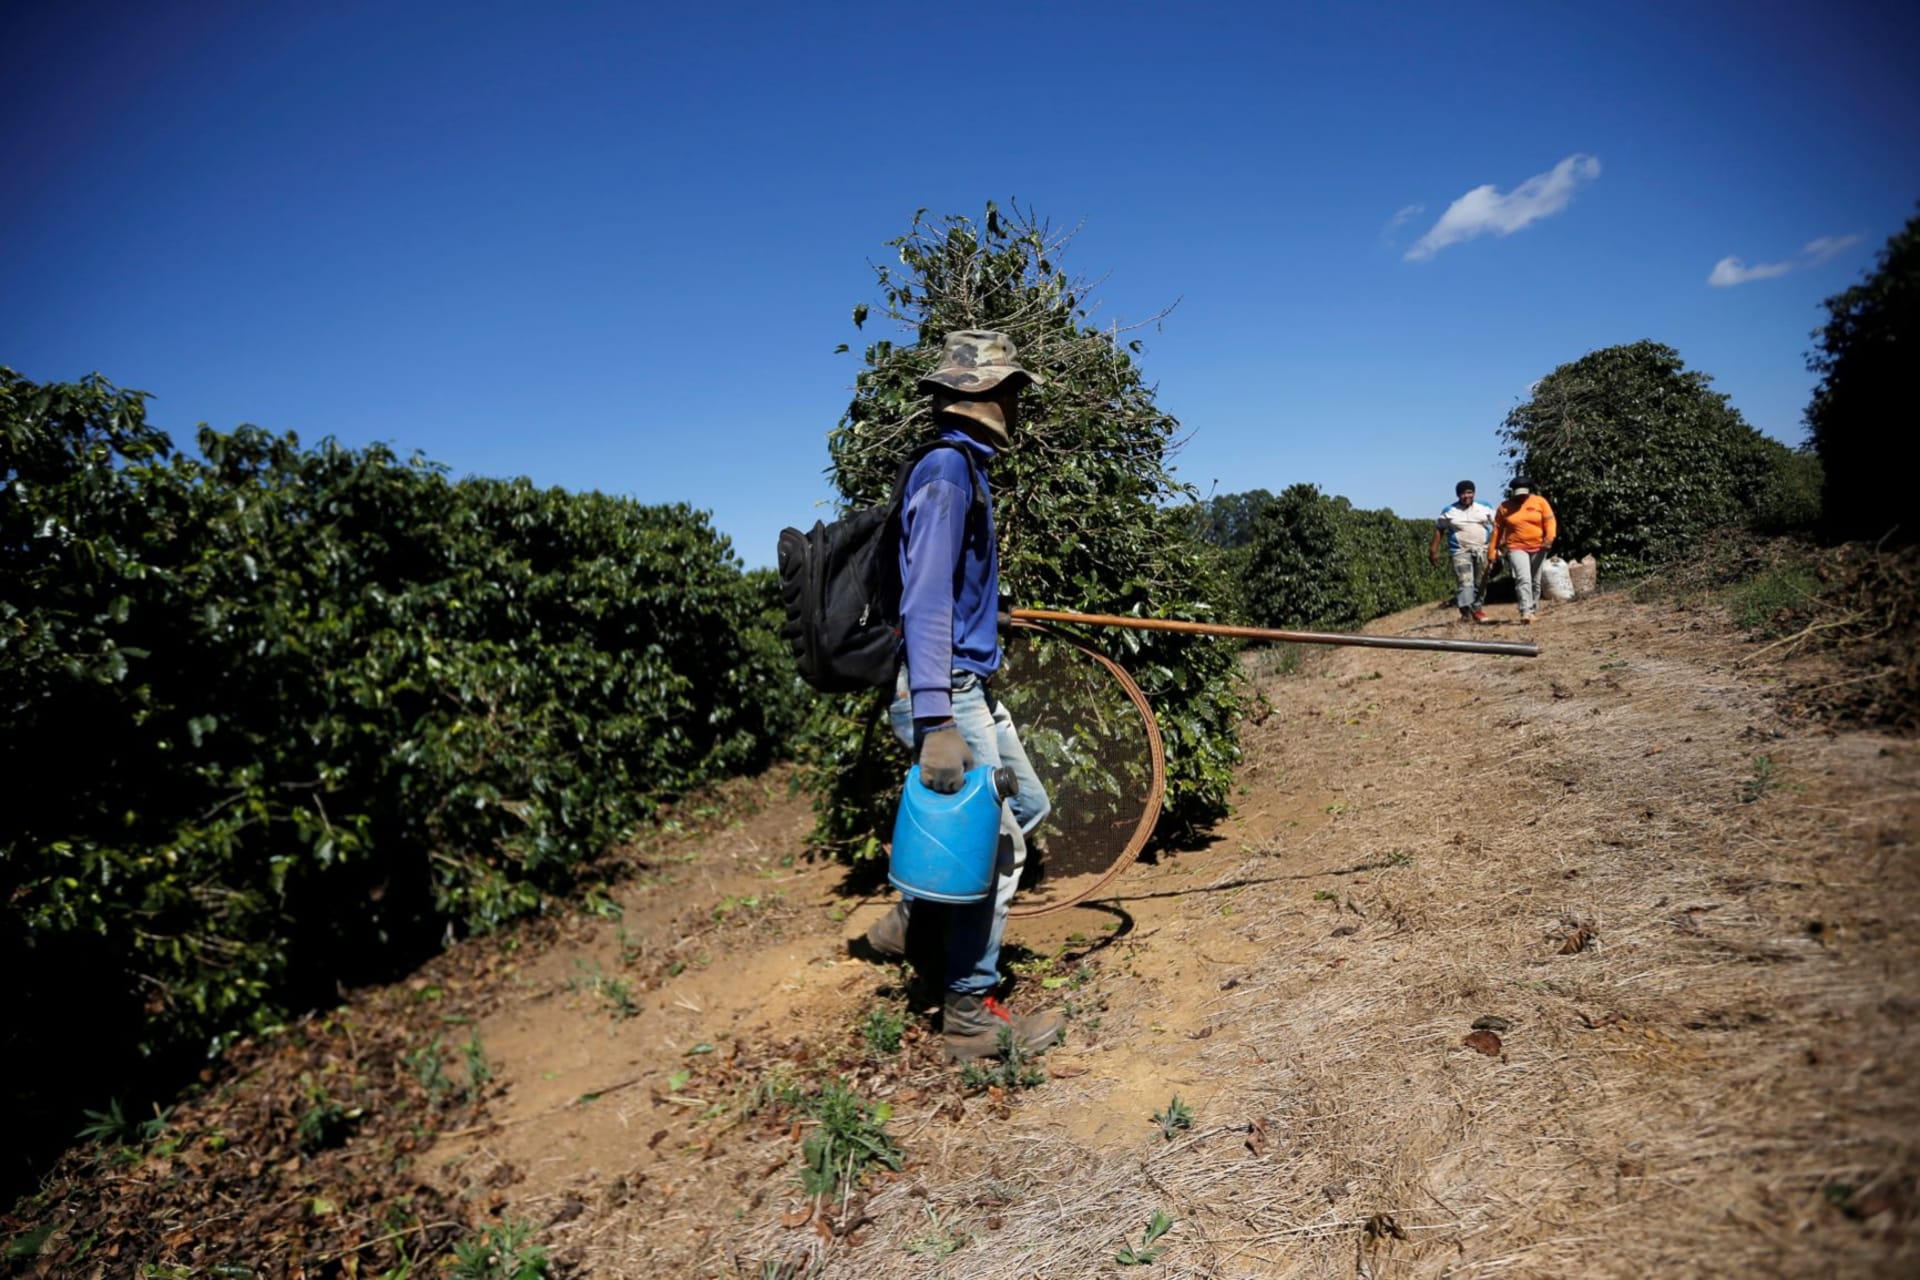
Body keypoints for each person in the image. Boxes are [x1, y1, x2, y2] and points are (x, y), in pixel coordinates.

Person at [861, 330, 1064, 1063]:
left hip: (964, 683)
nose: (1014, 401)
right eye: (1008, 388)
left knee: (1030, 805)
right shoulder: (948, 472)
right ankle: (969, 1012)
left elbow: (951, 588)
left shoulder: (962, 471)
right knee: (999, 846)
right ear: (981, 393)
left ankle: (915, 921)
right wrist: (939, 719)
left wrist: (996, 611)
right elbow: (923, 601)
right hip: (946, 692)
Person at [1487, 477, 1558, 625]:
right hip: (1516, 547)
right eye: (1518, 494)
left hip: (1539, 547)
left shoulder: (1540, 502)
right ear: (1512, 492)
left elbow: (1549, 521)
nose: (1521, 497)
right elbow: (1496, 531)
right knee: (1523, 578)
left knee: (1535, 581)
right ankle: (1525, 611)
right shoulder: (1504, 507)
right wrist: (1492, 550)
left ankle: (1533, 609)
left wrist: (1549, 538)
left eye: (1524, 495)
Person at [1429, 479, 1494, 623]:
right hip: (1460, 551)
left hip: (1482, 550)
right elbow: (1439, 528)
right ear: (1458, 495)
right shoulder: (1449, 511)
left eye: (1469, 492)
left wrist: (1496, 548)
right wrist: (1433, 549)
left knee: (1481, 581)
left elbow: (1497, 526)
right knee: (1465, 582)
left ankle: (1477, 609)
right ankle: (1465, 612)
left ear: (1474, 493)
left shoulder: (1485, 507)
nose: (1466, 496)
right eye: (1463, 493)